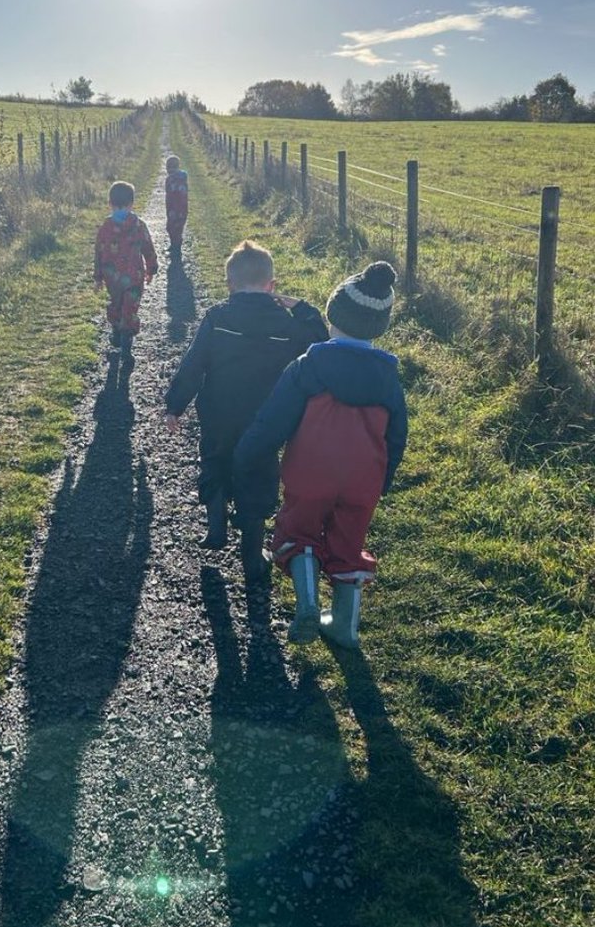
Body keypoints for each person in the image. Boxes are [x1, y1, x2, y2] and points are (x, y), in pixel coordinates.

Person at [234, 261, 407, 648]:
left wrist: (246, 454)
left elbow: (272, 421)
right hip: (365, 478)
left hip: (311, 471)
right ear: (379, 327)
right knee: (348, 545)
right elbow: (397, 435)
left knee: (298, 533)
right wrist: (385, 478)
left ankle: (309, 603)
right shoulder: (389, 379)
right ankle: (344, 627)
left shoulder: (308, 367)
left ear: (333, 316)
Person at [164, 240, 328, 582]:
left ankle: (216, 514)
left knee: (215, 456)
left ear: (230, 284)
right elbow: (318, 339)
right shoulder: (286, 324)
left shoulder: (218, 317)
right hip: (266, 418)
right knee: (259, 473)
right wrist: (300, 306)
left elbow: (194, 363)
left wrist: (175, 405)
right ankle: (252, 554)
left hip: (219, 410)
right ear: (272, 285)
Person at [94, 180, 158, 362]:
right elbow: (148, 248)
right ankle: (126, 343)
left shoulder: (105, 228)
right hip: (133, 276)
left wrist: (98, 277)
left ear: (110, 204)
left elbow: (98, 252)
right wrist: (151, 269)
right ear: (131, 203)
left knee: (116, 303)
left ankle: (116, 329)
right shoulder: (138, 225)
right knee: (130, 307)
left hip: (112, 277)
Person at [164, 155, 189, 253]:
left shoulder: (170, 179)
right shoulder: (183, 177)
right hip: (183, 208)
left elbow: (169, 193)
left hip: (173, 208)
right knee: (178, 228)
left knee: (171, 227)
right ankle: (176, 245)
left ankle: (175, 246)